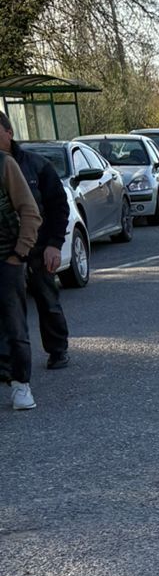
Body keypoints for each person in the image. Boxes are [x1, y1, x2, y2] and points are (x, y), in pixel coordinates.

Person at [14, 140, 70, 371]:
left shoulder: (37, 165)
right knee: (9, 306)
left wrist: (54, 244)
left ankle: (57, 350)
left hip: (39, 246)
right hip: (6, 248)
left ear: (8, 132)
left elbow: (59, 206)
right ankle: (11, 360)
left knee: (47, 300)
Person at [0, 114, 43, 410]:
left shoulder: (5, 164)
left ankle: (21, 385)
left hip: (6, 259)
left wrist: (19, 253)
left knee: (15, 325)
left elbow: (30, 211)